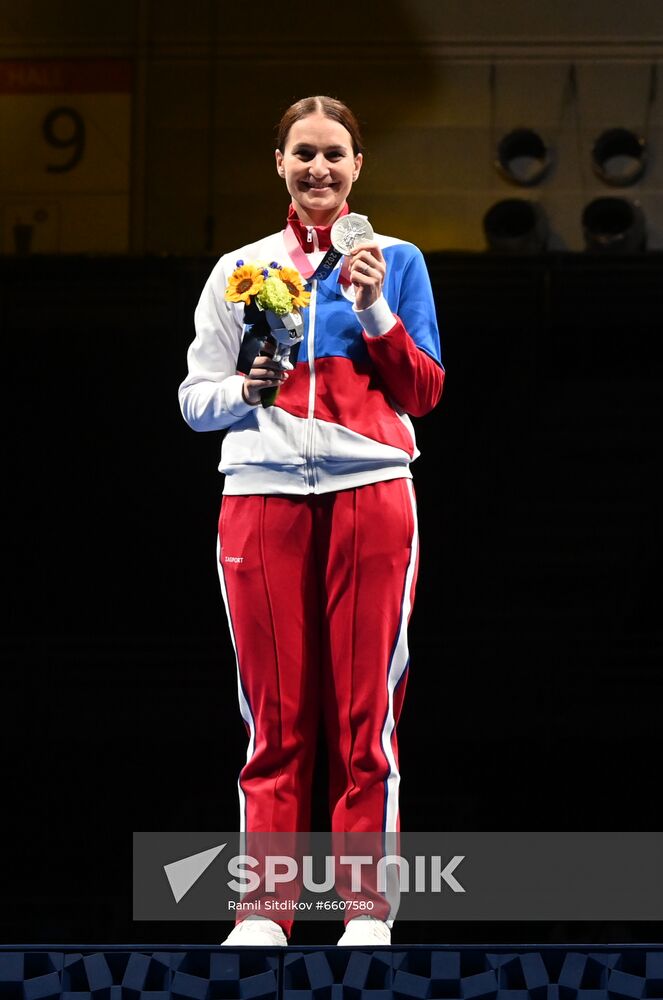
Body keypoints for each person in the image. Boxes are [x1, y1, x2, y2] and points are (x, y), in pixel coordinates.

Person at [178, 95, 444, 946]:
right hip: (259, 496)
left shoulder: (395, 260)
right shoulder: (238, 268)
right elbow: (195, 400)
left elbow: (423, 393)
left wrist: (372, 311)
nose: (319, 168)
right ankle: (266, 909)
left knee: (365, 717)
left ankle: (364, 910)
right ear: (280, 164)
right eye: (303, 153)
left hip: (370, 490)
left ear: (358, 165)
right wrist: (249, 391)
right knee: (275, 717)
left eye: (335, 153)